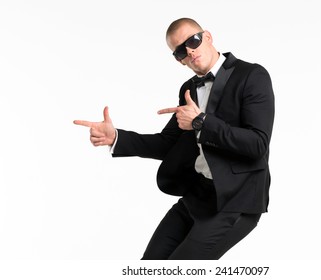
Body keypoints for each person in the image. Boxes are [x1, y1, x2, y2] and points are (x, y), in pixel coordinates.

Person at [74, 17, 275, 260]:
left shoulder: (252, 75)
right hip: (198, 194)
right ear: (179, 60)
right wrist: (117, 138)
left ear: (208, 37)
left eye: (194, 41)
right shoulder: (188, 89)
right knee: (149, 266)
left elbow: (257, 144)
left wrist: (201, 121)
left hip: (236, 200)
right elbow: (168, 143)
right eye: (180, 50)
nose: (189, 50)